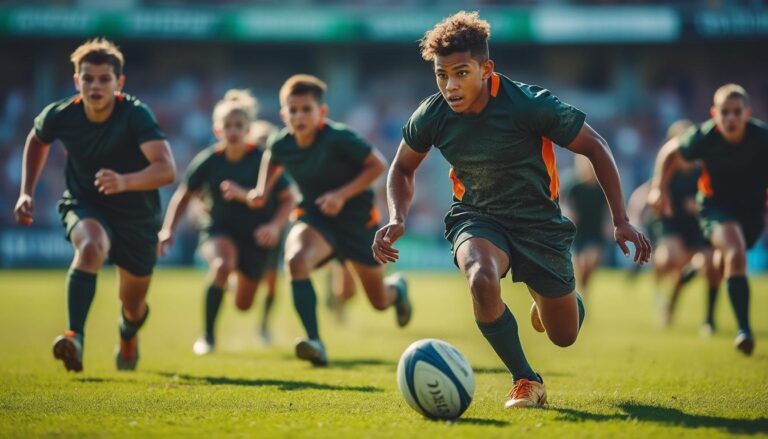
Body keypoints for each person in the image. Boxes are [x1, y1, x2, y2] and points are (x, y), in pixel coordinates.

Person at [372, 11, 650, 408]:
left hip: (539, 223)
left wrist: (621, 219)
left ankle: (561, 302)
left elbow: (596, 147)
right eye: (441, 75)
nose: (450, 85)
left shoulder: (529, 104)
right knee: (480, 278)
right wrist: (397, 216)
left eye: (461, 73)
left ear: (486, 69)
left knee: (564, 334)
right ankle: (526, 380)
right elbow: (401, 167)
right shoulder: (431, 115)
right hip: (477, 216)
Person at [14, 38, 176, 372]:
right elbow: (37, 138)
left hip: (137, 216)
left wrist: (125, 181)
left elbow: (167, 169)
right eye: (88, 78)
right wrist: (26, 192)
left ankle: (127, 333)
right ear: (77, 81)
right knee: (90, 247)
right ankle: (75, 337)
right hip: (85, 203)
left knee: (133, 306)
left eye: (104, 78)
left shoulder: (136, 115)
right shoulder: (61, 114)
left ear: (119, 83)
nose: (95, 85)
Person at [252, 74, 411, 367]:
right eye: (293, 110)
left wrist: (340, 195)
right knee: (295, 261)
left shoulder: (340, 138)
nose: (299, 115)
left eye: (306, 109)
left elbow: (378, 165)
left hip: (356, 223)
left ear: (321, 112)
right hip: (315, 219)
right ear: (284, 114)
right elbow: (272, 157)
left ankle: (397, 290)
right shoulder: (281, 142)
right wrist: (262, 190)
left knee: (379, 302)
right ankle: (315, 341)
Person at [158, 90, 295, 355]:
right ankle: (207, 336)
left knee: (243, 304)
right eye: (228, 126)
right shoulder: (208, 161)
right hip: (218, 230)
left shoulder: (263, 159)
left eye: (239, 126)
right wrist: (167, 230)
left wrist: (274, 227)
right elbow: (183, 195)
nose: (233, 131)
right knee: (222, 265)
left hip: (256, 237)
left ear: (248, 129)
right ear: (217, 130)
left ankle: (233, 282)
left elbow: (288, 198)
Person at [649, 84, 768, 355]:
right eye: (724, 112)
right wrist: (659, 188)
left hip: (751, 213)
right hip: (715, 208)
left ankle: (699, 278)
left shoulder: (762, 139)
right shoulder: (704, 137)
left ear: (747, 113)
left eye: (737, 112)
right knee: (735, 251)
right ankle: (744, 331)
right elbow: (670, 151)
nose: (731, 118)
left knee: (719, 262)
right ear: (715, 113)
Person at [647, 120, 721, 332]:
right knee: (673, 260)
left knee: (711, 267)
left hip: (699, 225)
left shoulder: (702, 169)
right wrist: (660, 203)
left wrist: (698, 206)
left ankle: (709, 320)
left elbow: (715, 198)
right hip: (673, 224)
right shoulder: (667, 170)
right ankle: (664, 283)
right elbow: (652, 193)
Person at [563, 156, 609, 295]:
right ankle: (581, 292)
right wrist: (570, 213)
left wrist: (609, 223)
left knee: (591, 260)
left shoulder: (601, 188)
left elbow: (608, 208)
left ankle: (583, 290)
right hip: (578, 232)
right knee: (581, 266)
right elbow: (565, 203)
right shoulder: (575, 187)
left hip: (595, 232)